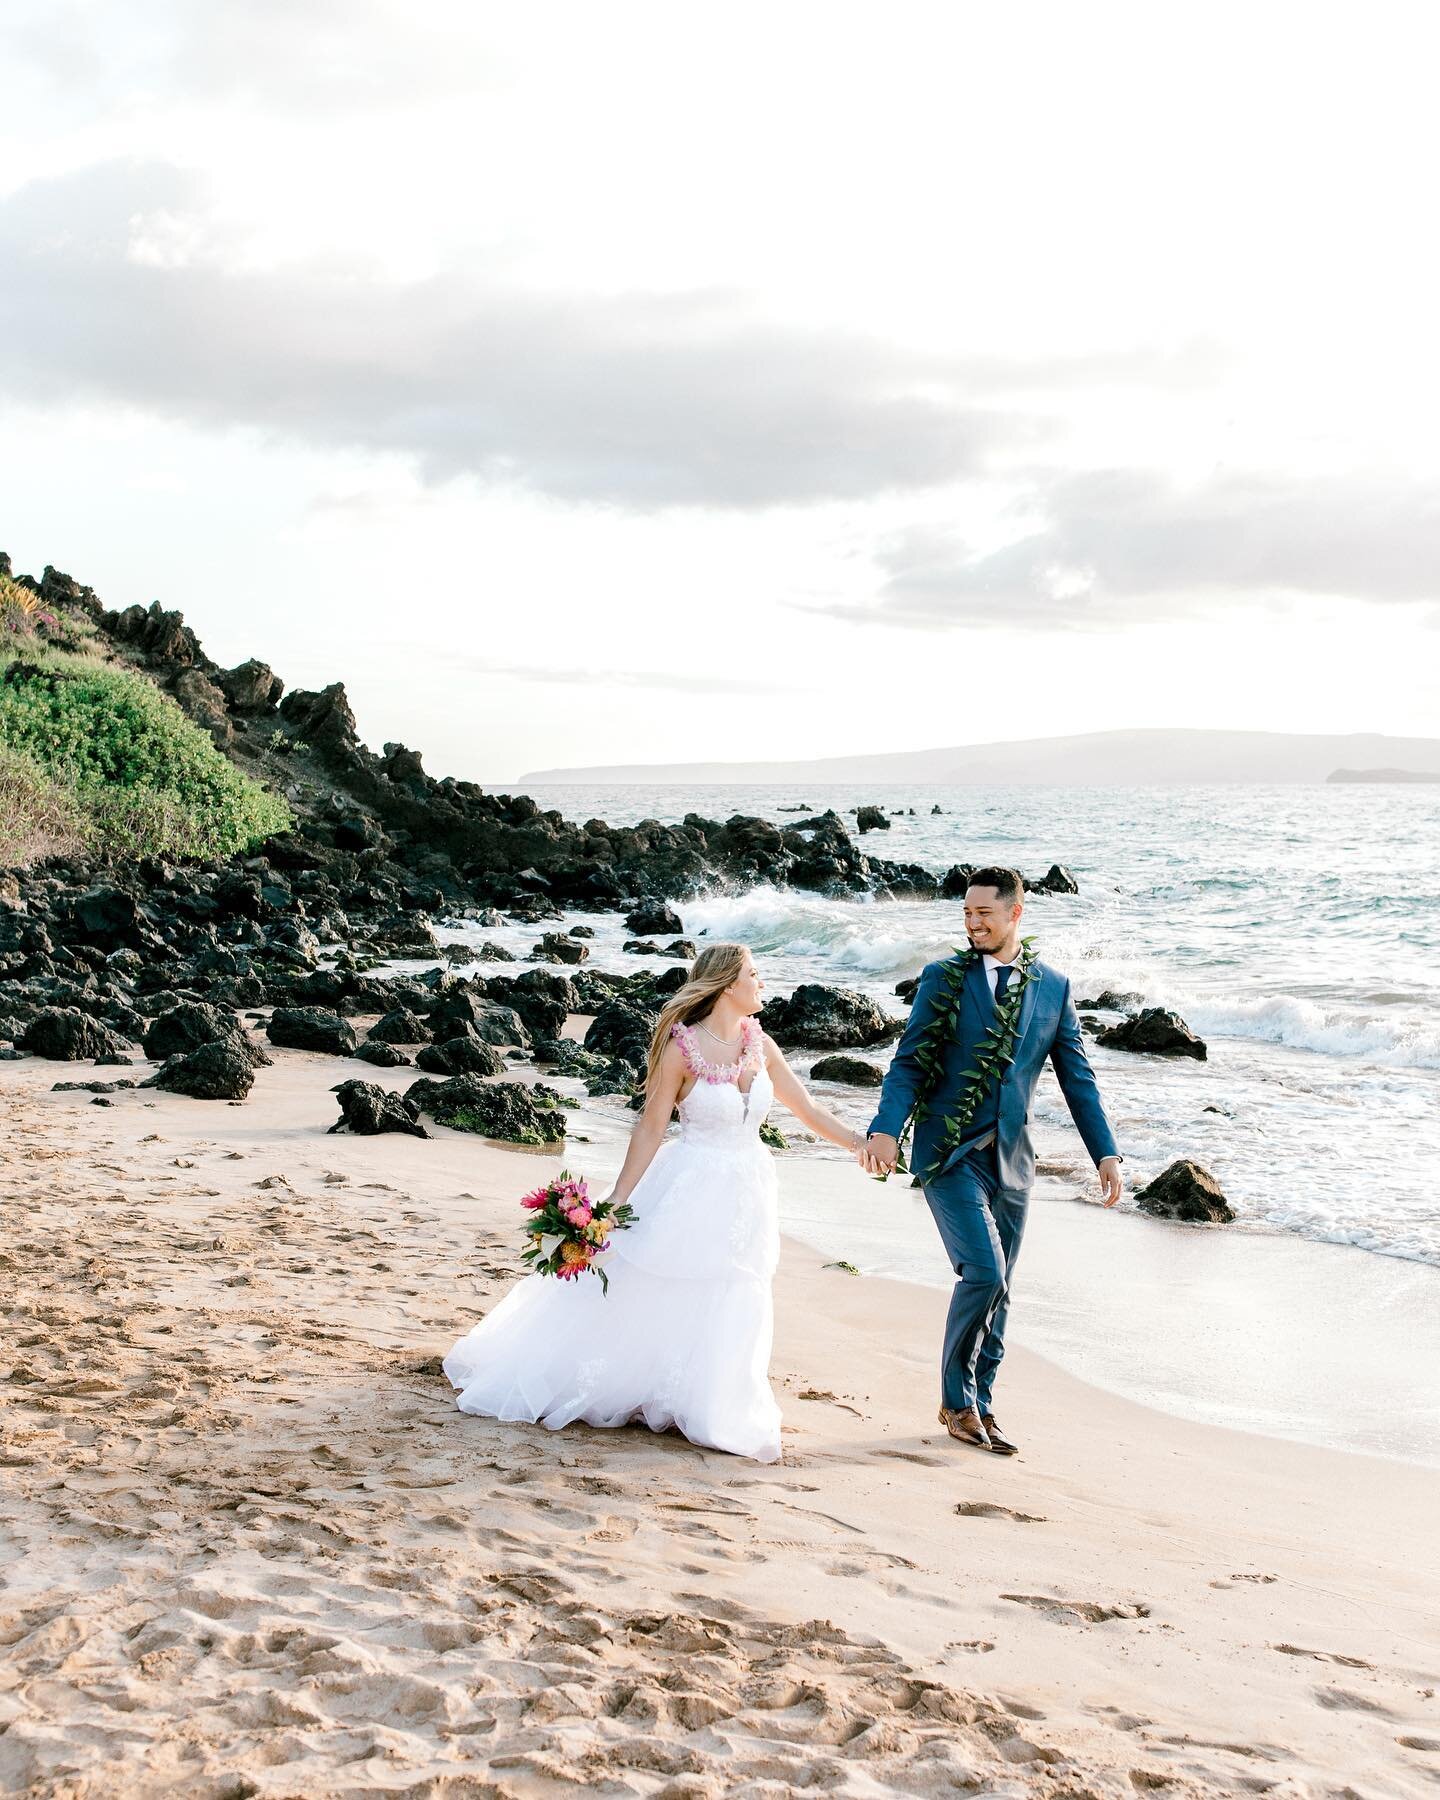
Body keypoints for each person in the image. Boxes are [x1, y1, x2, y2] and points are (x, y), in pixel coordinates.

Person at [443, 942, 864, 1463]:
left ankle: (712, 1402)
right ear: (730, 983)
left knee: (736, 1287)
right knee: (656, 1281)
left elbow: (808, 1108)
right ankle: (637, 1385)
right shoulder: (681, 1048)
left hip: (748, 1188)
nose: (762, 982)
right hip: (689, 1182)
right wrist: (616, 1199)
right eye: (754, 974)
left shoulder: (762, 1044)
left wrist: (861, 1145)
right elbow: (650, 1126)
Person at [860, 867, 1122, 1455]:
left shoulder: (1053, 987)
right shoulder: (942, 979)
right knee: (985, 1273)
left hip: (1012, 1162)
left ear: (1015, 914)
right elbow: (908, 1064)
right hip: (946, 1155)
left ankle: (983, 1404)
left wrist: (1104, 1152)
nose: (974, 923)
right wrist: (885, 1129)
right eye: (967, 915)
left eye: (984, 913)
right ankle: (956, 1401)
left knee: (1002, 1290)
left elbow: (1077, 1078)